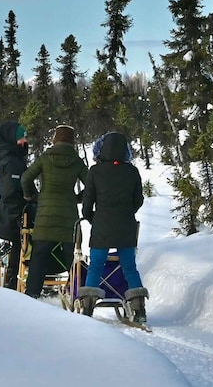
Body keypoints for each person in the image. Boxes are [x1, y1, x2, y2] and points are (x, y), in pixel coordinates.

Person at [79, 131, 149, 324]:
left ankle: (87, 307)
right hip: (126, 225)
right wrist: (127, 212)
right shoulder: (132, 171)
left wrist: (94, 218)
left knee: (95, 266)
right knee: (129, 268)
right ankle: (139, 309)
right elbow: (138, 200)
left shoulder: (95, 171)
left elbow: (86, 204)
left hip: (102, 225)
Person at [20, 125, 88, 299]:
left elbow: (26, 177)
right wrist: (77, 198)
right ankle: (76, 293)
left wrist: (31, 195)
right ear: (71, 142)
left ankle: (31, 294)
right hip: (68, 218)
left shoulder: (45, 158)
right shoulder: (77, 161)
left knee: (39, 256)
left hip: (45, 216)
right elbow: (92, 186)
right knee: (69, 258)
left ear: (55, 139)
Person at [0, 119, 29, 289]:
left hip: (11, 212)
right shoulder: (11, 162)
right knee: (18, 249)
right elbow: (10, 192)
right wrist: (17, 215)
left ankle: (13, 282)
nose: (24, 141)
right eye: (21, 138)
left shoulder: (13, 158)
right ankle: (11, 286)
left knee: (19, 249)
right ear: (12, 139)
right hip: (12, 215)